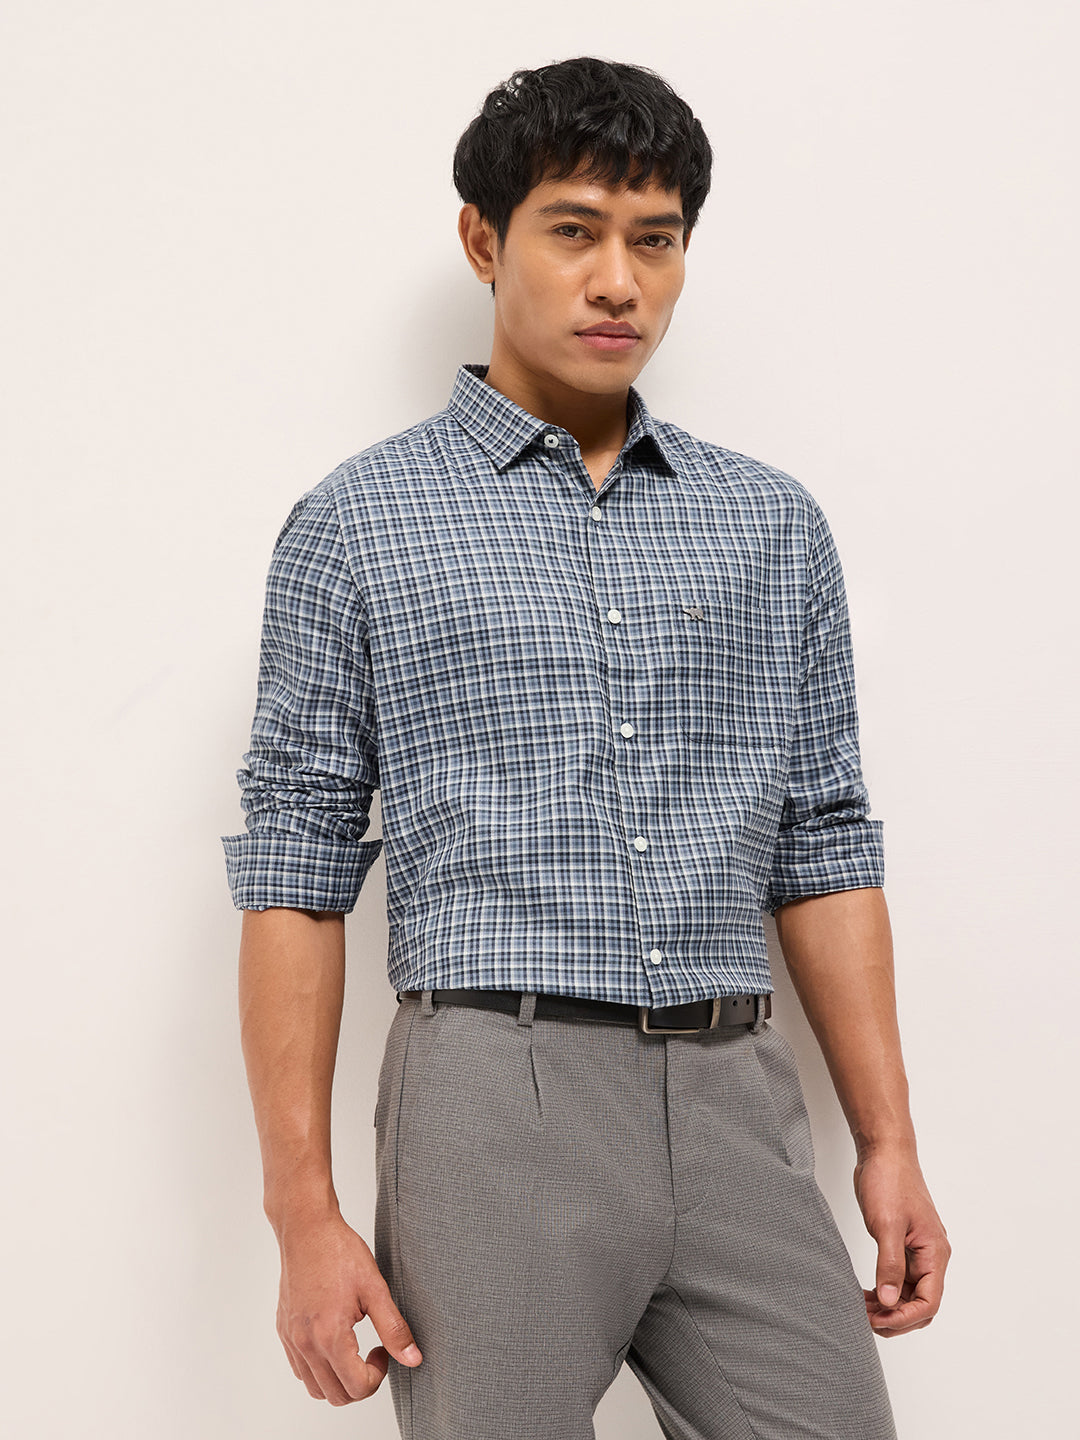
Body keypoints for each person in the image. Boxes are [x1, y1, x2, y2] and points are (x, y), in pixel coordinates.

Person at [224, 57, 950, 1440]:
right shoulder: (358, 523)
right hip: (492, 1101)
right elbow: (295, 870)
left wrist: (888, 1141)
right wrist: (302, 1215)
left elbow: (823, 842)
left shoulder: (771, 525)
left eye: (655, 240)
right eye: (575, 230)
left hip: (737, 1098)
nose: (620, 282)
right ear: (484, 239)